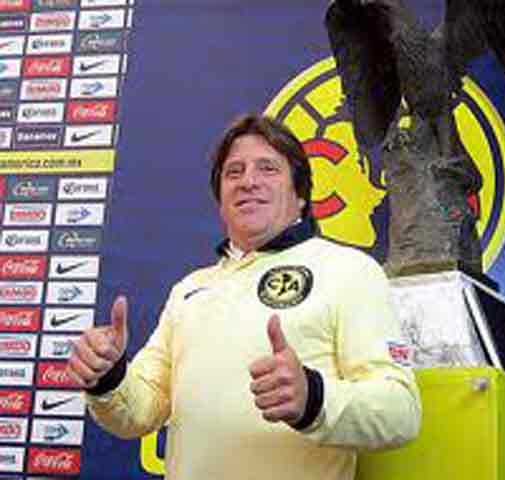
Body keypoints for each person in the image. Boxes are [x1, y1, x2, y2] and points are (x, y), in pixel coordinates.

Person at [67, 113, 422, 480]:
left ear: (301, 195)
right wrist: (109, 378)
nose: (248, 181)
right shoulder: (189, 290)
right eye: (233, 172)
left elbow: (401, 411)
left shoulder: (349, 270)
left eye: (268, 169)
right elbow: (140, 411)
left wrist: (313, 399)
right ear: (221, 201)